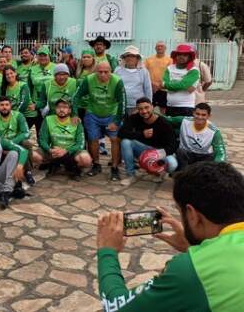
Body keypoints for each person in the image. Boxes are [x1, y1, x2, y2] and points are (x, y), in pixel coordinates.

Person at [96, 162, 244, 311]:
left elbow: (115, 307)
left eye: (180, 212)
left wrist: (107, 251)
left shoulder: (191, 271)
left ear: (192, 214)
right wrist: (193, 247)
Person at [73, 61, 126, 181]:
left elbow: (122, 102)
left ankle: (114, 167)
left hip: (111, 113)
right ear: (95, 71)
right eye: (100, 72)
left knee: (115, 139)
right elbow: (76, 97)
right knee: (93, 139)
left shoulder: (117, 81)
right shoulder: (88, 80)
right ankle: (96, 164)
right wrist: (75, 114)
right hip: (93, 113)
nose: (103, 75)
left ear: (111, 71)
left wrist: (117, 121)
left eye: (106, 72)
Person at [117, 97, 178, 186]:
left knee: (172, 164)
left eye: (146, 107)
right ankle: (131, 175)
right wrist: (142, 134)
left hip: (160, 152)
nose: (144, 111)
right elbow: (121, 133)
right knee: (125, 142)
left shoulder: (164, 123)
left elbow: (173, 145)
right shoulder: (134, 118)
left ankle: (159, 172)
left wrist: (156, 154)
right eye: (140, 109)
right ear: (137, 110)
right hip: (144, 150)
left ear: (152, 107)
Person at [38, 97, 92, 180]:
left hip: (71, 152)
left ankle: (74, 167)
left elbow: (81, 143)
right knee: (35, 155)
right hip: (54, 151)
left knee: (86, 159)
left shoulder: (76, 121)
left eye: (65, 107)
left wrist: (66, 151)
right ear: (55, 109)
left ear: (70, 110)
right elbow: (42, 139)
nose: (61, 109)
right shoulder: (48, 119)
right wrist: (50, 150)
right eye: (59, 107)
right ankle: (53, 164)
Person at [172, 103, 226, 170]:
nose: (200, 117)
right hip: (186, 154)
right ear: (193, 113)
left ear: (209, 116)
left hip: (204, 156)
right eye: (197, 114)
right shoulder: (184, 121)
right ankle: (183, 172)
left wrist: (218, 166)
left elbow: (220, 152)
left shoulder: (214, 131)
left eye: (203, 115)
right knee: (180, 152)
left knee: (213, 158)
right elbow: (166, 119)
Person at [163, 44, 200, 116]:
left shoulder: (194, 70)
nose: (181, 56)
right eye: (179, 54)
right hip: (170, 106)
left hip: (186, 107)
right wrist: (179, 84)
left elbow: (183, 85)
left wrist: (169, 85)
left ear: (189, 57)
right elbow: (164, 83)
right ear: (175, 56)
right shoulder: (169, 68)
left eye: (185, 55)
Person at [114, 46, 152, 116]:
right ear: (124, 58)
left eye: (133, 56)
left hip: (139, 107)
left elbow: (148, 89)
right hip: (121, 105)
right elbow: (114, 87)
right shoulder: (118, 70)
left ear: (137, 58)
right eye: (127, 56)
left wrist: (148, 105)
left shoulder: (143, 71)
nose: (130, 58)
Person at [144, 41, 172, 114]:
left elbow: (171, 74)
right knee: (149, 108)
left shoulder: (170, 60)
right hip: (151, 88)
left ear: (165, 48)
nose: (159, 48)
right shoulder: (148, 60)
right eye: (158, 46)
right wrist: (152, 84)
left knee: (164, 111)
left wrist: (160, 85)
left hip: (164, 89)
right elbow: (144, 73)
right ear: (155, 48)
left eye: (161, 46)